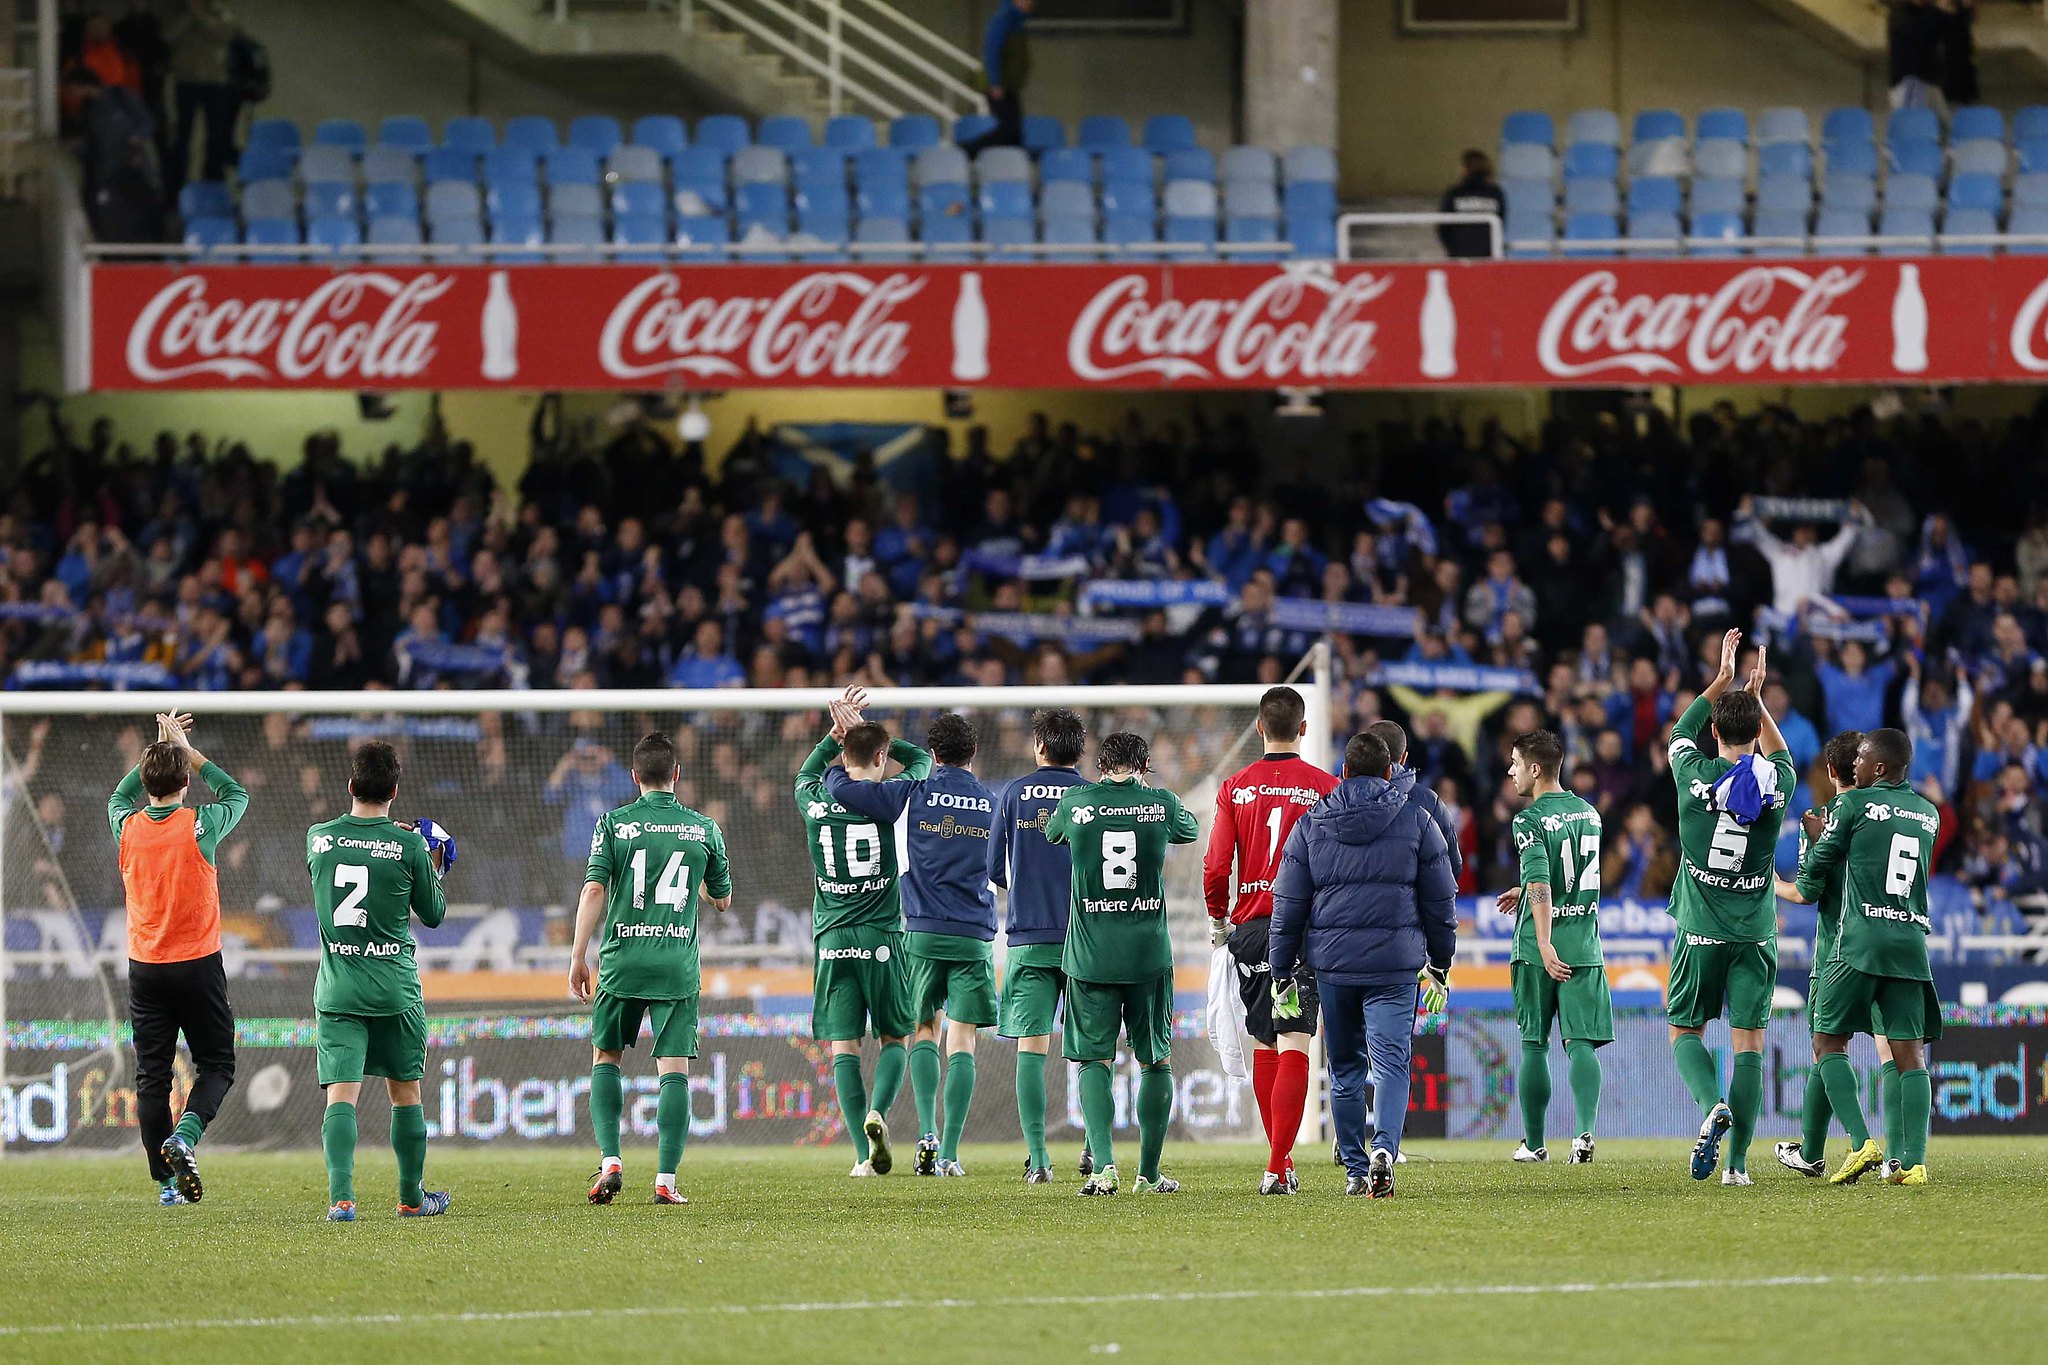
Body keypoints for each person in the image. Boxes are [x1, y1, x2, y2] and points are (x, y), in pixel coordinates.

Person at [1270, 730, 1457, 1198]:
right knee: (1392, 1063)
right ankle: (1385, 1150)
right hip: (1395, 968)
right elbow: (1441, 902)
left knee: (1345, 1069)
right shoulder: (1418, 820)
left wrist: (1281, 970)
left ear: (1344, 771)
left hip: (1334, 968)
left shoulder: (1311, 824)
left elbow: (1288, 906)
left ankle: (1355, 1168)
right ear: (1391, 771)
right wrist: (1440, 963)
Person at [826, 710, 997, 1179]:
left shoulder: (913, 792)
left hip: (920, 931)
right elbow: (1003, 870)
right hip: (974, 933)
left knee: (923, 1028)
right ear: (973, 752)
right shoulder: (991, 802)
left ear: (934, 753)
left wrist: (845, 748)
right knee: (962, 1038)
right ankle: (950, 1154)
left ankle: (926, 1132)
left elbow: (844, 790)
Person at [571, 732, 732, 1207]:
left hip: (623, 960)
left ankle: (610, 1161)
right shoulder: (704, 829)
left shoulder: (613, 824)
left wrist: (578, 956)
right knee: (673, 1071)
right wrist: (696, 883)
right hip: (675, 963)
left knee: (606, 1058)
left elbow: (593, 890)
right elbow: (722, 899)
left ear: (634, 776)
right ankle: (665, 1180)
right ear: (676, 775)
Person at [1777, 728, 1942, 1186]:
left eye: (1863, 759)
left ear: (1880, 767)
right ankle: (1913, 1162)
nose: (1857, 766)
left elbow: (1813, 874)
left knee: (1828, 1044)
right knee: (1909, 1055)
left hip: (1858, 943)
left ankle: (1860, 1142)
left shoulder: (1852, 806)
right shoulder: (1929, 813)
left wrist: (1816, 838)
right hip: (1910, 942)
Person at [1666, 629, 1797, 1186]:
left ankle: (1711, 1105)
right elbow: (1782, 754)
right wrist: (1757, 698)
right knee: (1749, 1047)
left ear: (1715, 732)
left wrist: (1722, 678)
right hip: (1756, 932)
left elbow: (1680, 731)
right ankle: (1738, 1166)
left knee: (1684, 1032)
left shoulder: (1691, 772)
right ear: (1757, 731)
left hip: (1700, 929)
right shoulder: (1779, 785)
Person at [1045, 731, 1200, 1195]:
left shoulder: (1076, 803)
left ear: (1100, 766)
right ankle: (1148, 1175)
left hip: (1090, 955)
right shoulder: (1161, 803)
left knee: (1094, 1060)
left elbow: (1053, 832)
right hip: (1147, 956)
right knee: (1155, 1060)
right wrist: (1148, 795)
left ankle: (1103, 1168)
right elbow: (1190, 829)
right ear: (1144, 765)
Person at [307, 740, 456, 1220]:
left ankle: (341, 1198)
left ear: (351, 785)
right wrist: (431, 863)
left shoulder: (318, 838)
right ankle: (412, 1199)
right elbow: (433, 914)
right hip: (395, 988)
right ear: (394, 791)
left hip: (340, 988)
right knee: (405, 1092)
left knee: (341, 1094)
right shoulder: (410, 846)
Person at [1202, 685, 1338, 1194]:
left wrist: (1218, 920)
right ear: (1303, 729)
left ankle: (1280, 1162)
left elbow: (1217, 864)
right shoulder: (1326, 787)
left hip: (1253, 929)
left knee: (1265, 1040)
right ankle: (1278, 1166)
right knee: (1295, 1039)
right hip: (1303, 928)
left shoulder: (1235, 787)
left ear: (1260, 727)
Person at [107, 711, 247, 1206]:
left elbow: (118, 796)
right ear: (186, 782)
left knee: (152, 1078)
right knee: (217, 1064)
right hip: (198, 965)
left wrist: (157, 751)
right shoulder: (200, 824)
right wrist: (187, 751)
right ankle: (184, 1137)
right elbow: (236, 794)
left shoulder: (127, 827)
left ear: (147, 782)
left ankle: (167, 1186)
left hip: (146, 968)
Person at [794, 689, 927, 1176]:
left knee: (843, 1047)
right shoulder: (894, 797)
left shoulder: (814, 800)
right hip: (882, 936)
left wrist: (834, 737)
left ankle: (860, 1158)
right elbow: (921, 761)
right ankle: (878, 1113)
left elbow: (804, 775)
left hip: (833, 938)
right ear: (880, 758)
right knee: (896, 1039)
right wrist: (878, 738)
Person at [1494, 730, 1611, 1164]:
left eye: (1515, 763)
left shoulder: (1528, 820)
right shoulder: (1590, 814)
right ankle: (1583, 1134)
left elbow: (1544, 881)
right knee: (1580, 1044)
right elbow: (1567, 876)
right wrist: (1523, 886)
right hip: (1583, 942)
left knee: (1534, 1044)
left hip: (1536, 947)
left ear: (1535, 768)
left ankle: (1534, 1144)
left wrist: (1543, 942)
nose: (1511, 772)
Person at [988, 707, 1089, 1184]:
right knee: (1093, 1047)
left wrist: (1029, 887)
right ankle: (1095, 1149)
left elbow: (995, 868)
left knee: (1032, 1045)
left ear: (1040, 747)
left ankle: (1040, 1160)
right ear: (1079, 752)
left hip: (1029, 936)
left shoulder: (1013, 793)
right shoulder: (1091, 796)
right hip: (1086, 939)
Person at [165, 0, 239, 190]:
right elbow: (168, 36)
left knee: (215, 134)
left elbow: (226, 34)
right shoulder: (179, 14)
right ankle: (176, 185)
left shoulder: (220, 13)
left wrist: (199, 16)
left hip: (214, 82)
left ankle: (213, 182)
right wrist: (188, 16)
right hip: (186, 82)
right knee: (182, 135)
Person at [963, 0, 1033, 155]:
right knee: (1009, 131)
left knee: (1014, 135)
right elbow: (991, 52)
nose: (1029, 3)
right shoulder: (1002, 20)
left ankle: (1007, 164)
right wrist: (995, 83)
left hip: (1010, 86)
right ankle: (966, 150)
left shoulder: (1017, 24)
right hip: (998, 86)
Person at [1437, 150, 1506, 259]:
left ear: (1465, 169)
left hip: (1460, 254)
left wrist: (1453, 250)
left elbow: (1443, 226)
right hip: (1488, 254)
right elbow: (1501, 222)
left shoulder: (1455, 193)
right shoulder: (1495, 192)